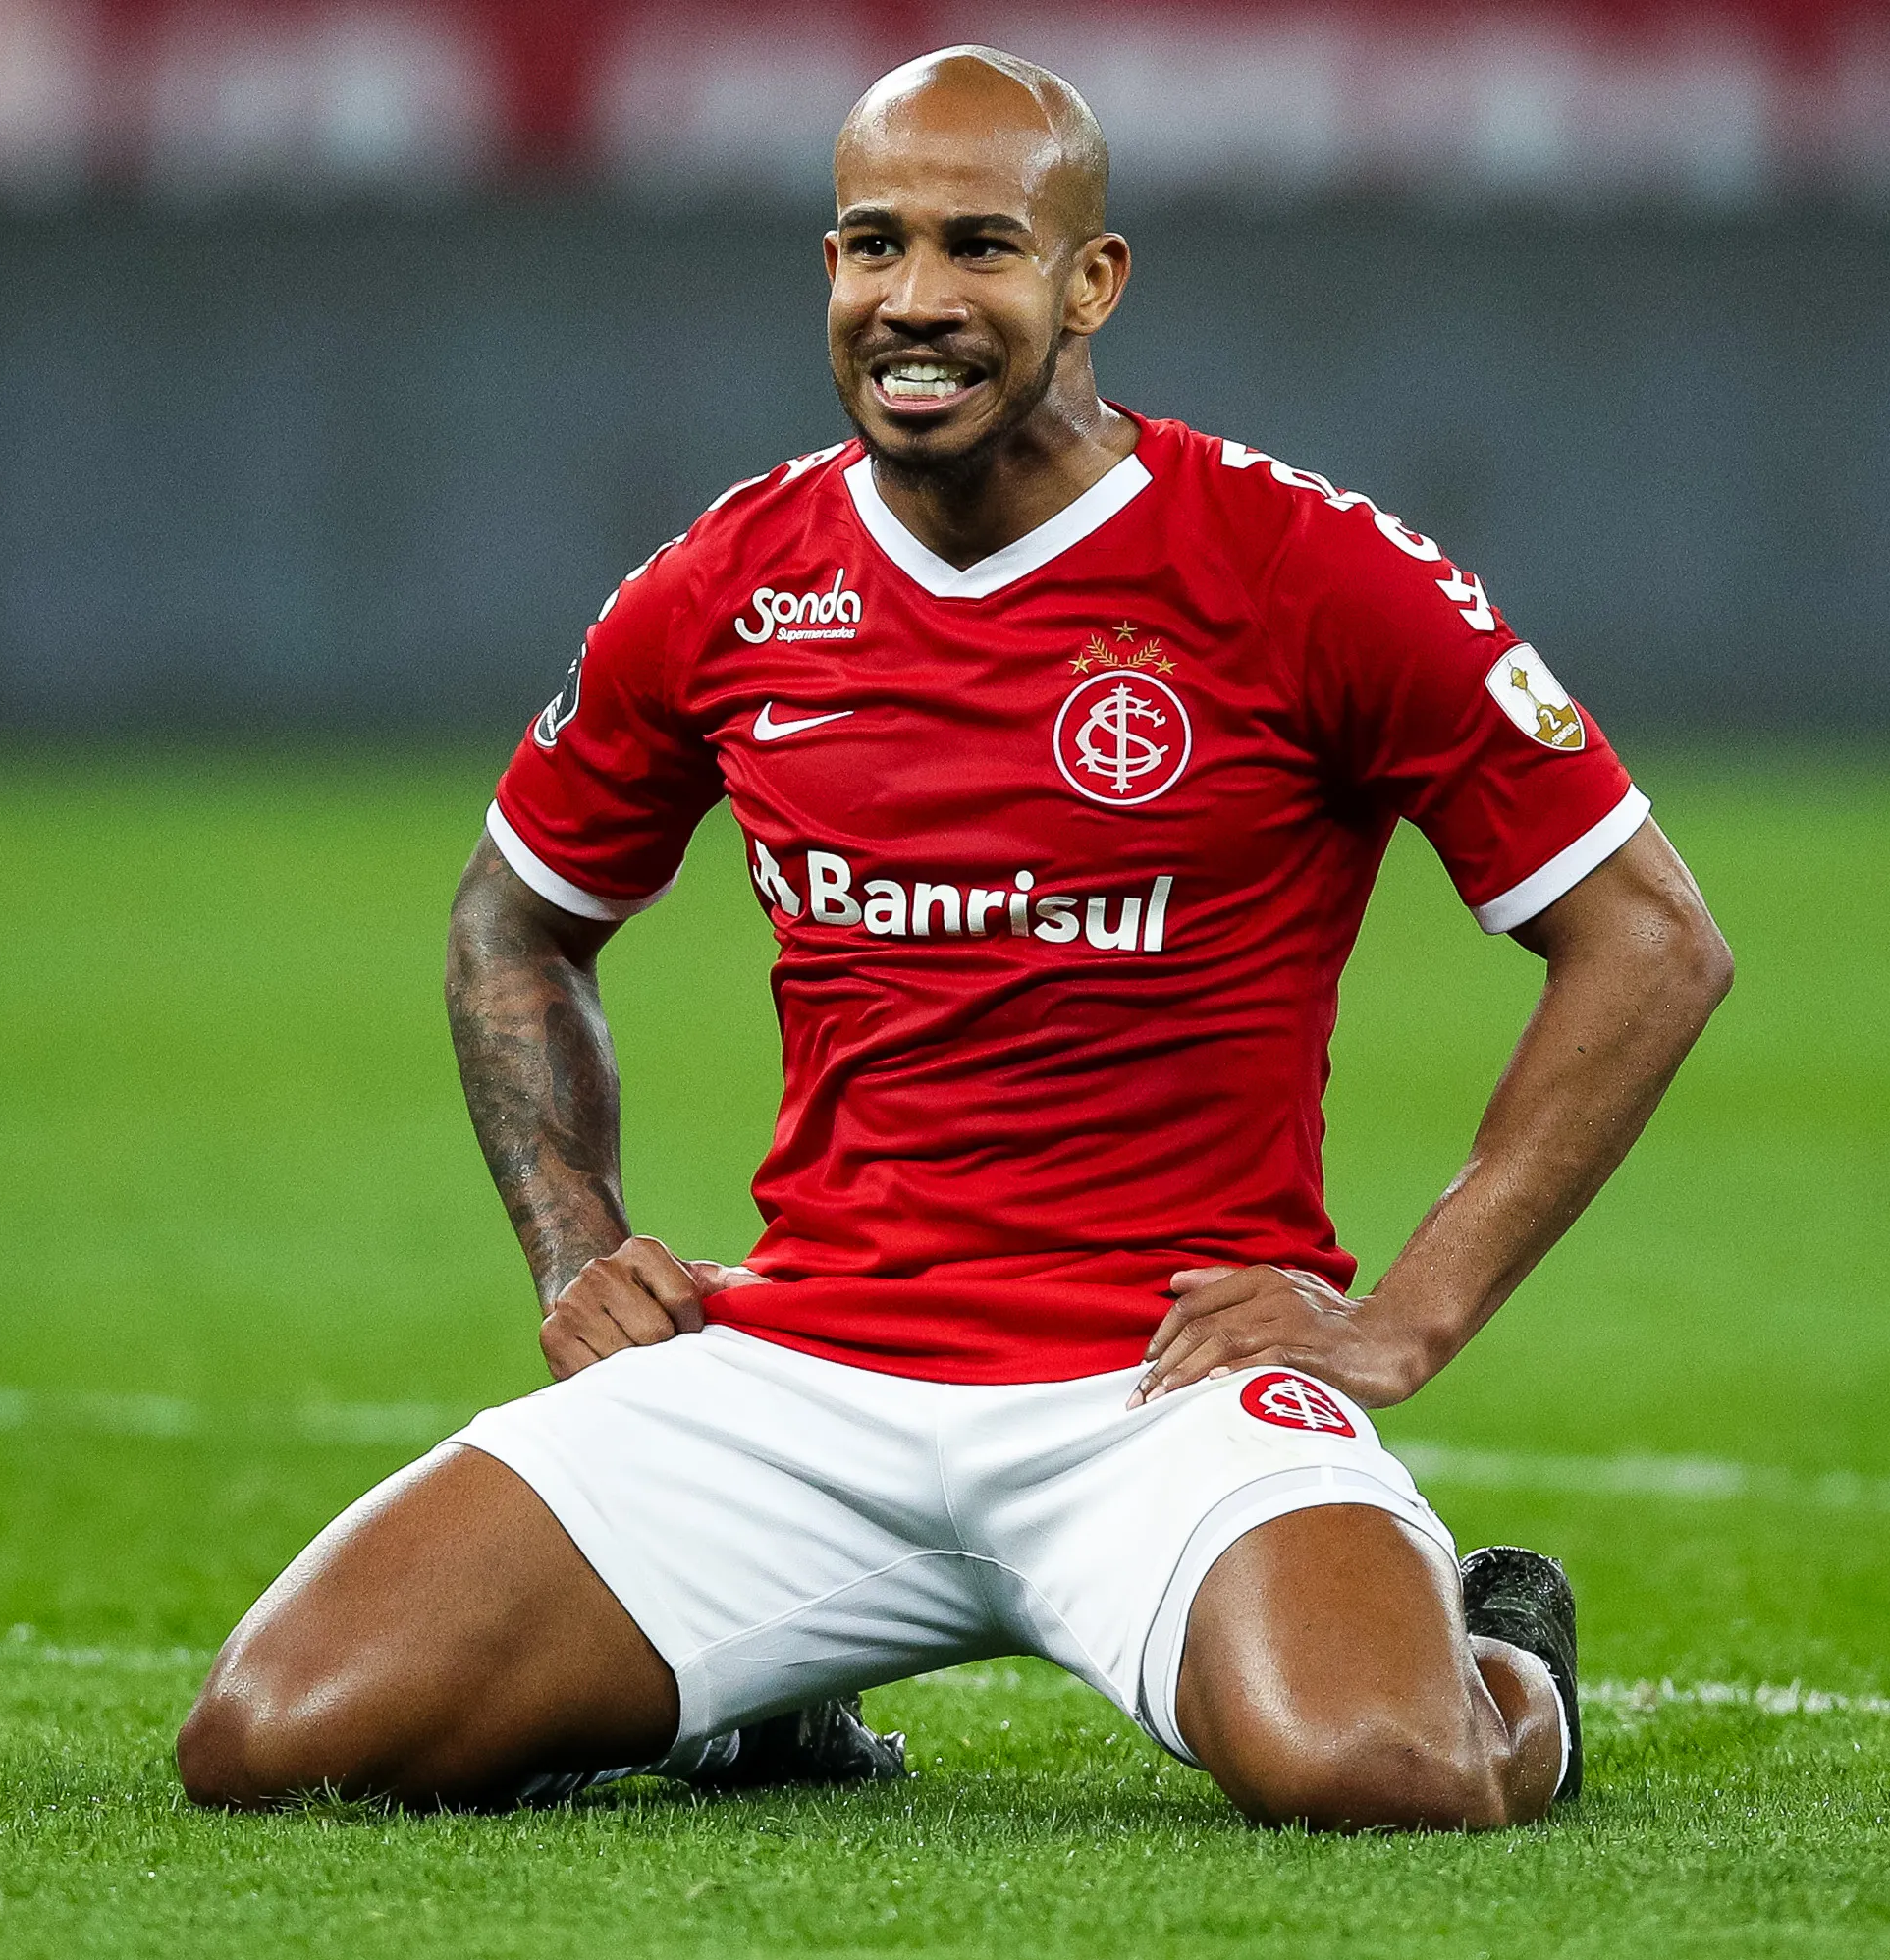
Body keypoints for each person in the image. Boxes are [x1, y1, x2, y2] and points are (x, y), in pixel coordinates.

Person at [174, 44, 1732, 1830]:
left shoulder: (1304, 568)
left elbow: (1651, 940)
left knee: (1386, 1770)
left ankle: (1510, 1662)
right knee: (274, 1735)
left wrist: (1407, 1318)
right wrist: (570, 1248)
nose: (914, 299)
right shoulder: (731, 582)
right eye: (873, 245)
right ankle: (751, 1702)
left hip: (1162, 1385)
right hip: (798, 1375)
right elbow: (513, 920)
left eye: (980, 246)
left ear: (1093, 279)